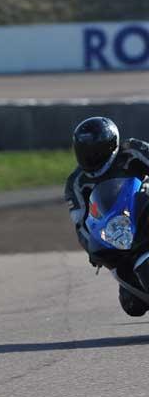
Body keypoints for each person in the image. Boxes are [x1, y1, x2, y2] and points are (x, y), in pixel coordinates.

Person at [65, 116, 149, 316]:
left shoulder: (133, 151)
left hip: (144, 207)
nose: (90, 158)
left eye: (94, 152)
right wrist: (92, 247)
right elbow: (80, 223)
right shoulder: (76, 183)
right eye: (84, 152)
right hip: (120, 231)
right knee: (132, 305)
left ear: (111, 145)